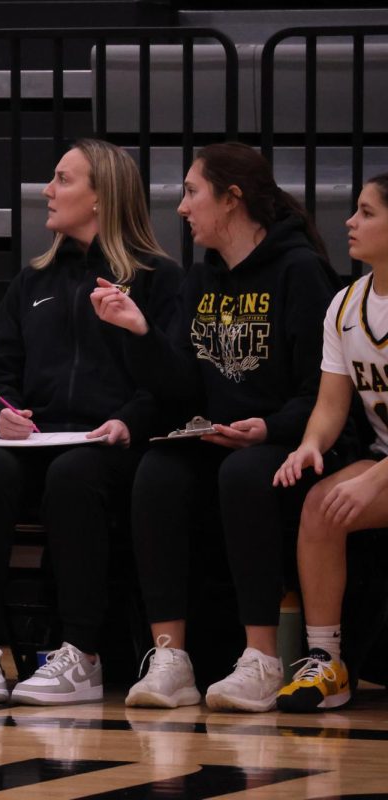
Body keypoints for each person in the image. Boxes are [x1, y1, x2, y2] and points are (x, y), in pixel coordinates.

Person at [92, 142, 339, 712]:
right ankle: (170, 657)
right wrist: (139, 331)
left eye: (192, 191)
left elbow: (323, 390)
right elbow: (181, 386)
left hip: (289, 444)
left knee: (244, 472)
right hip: (221, 437)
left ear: (232, 199)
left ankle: (262, 658)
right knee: (158, 470)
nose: (181, 207)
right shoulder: (202, 280)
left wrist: (270, 427)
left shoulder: (300, 271)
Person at [0, 139, 181, 706]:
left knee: (75, 474)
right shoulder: (33, 281)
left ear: (102, 197)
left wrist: (129, 420)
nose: (47, 191)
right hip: (39, 439)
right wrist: (1, 414)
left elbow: (175, 381)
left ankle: (81, 652)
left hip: (119, 446)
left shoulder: (158, 279)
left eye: (62, 179)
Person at [272, 173, 388, 712]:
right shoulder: (345, 305)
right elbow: (331, 404)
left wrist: (374, 480)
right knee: (321, 506)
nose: (350, 221)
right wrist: (310, 445)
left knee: (351, 494)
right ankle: (327, 662)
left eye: (366, 212)